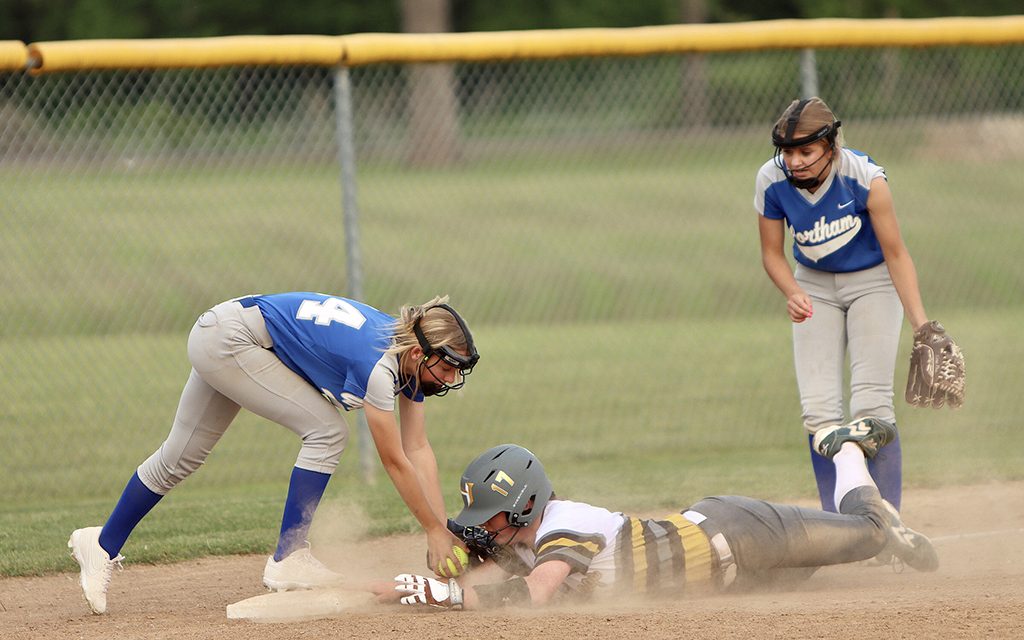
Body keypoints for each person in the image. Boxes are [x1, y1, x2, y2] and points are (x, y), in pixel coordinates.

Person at [68, 292, 479, 615]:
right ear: (417, 353)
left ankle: (101, 544)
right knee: (326, 431)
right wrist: (431, 530)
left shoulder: (404, 358)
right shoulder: (380, 368)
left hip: (226, 332)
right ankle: (289, 556)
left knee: (179, 458)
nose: (450, 377)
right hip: (233, 339)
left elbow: (418, 448)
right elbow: (394, 461)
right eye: (445, 367)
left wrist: (439, 528)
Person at [380, 422, 938, 611]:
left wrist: (441, 596)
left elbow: (532, 597)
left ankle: (845, 451)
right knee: (817, 572)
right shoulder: (522, 545)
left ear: (526, 505)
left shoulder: (563, 524)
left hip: (740, 534)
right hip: (737, 577)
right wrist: (421, 584)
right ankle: (873, 522)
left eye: (493, 515)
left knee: (868, 537)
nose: (484, 526)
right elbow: (485, 580)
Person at [754, 96, 938, 513]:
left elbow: (896, 253)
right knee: (819, 415)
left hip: (872, 281)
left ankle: (886, 521)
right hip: (813, 285)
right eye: (787, 151)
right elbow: (771, 253)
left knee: (872, 406)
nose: (795, 161)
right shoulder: (770, 180)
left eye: (806, 151)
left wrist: (921, 324)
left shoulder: (866, 178)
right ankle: (835, 527)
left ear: (831, 148)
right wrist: (792, 291)